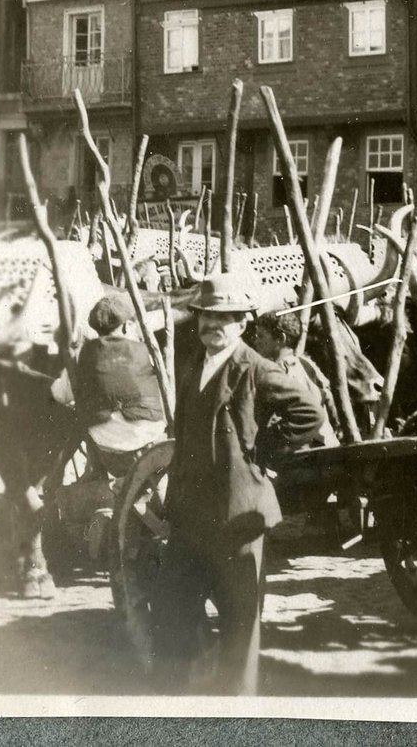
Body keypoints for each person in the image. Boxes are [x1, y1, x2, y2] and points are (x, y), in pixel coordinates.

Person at [154, 275, 325, 696]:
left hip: (237, 516)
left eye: (225, 318)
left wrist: (260, 452)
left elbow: (309, 412)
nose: (213, 325)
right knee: (172, 610)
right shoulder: (194, 364)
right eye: (207, 316)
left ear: (243, 322)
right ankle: (174, 708)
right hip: (190, 514)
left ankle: (236, 711)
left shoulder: (256, 368)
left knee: (240, 623)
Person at [71, 296, 168, 477]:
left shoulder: (83, 354)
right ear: (125, 326)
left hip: (111, 455)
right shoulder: (143, 350)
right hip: (151, 446)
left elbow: (62, 394)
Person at [248, 310, 336, 451]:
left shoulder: (278, 371)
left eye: (261, 336)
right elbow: (329, 398)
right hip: (327, 443)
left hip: (306, 449)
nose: (255, 341)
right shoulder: (306, 363)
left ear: (280, 339)